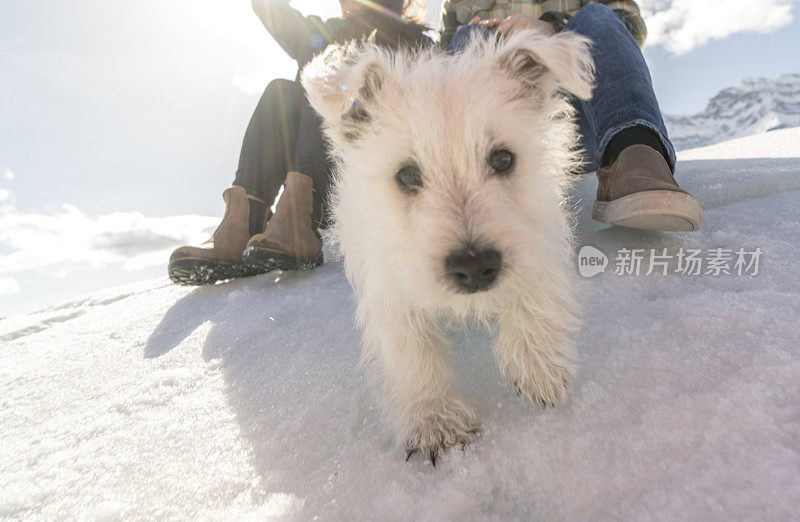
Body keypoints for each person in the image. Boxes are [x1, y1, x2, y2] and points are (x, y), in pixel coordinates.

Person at [169, 0, 430, 285]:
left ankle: (299, 220)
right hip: (312, 187)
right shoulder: (322, 32)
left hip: (367, 187)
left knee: (329, 85)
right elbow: (271, 10)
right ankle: (245, 223)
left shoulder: (415, 43)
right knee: (280, 92)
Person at [441, 0, 703, 231]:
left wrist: (555, 27)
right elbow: (435, 59)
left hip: (582, 123)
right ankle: (471, 194)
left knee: (597, 15)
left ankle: (633, 158)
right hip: (488, 129)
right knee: (470, 37)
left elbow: (627, 25)